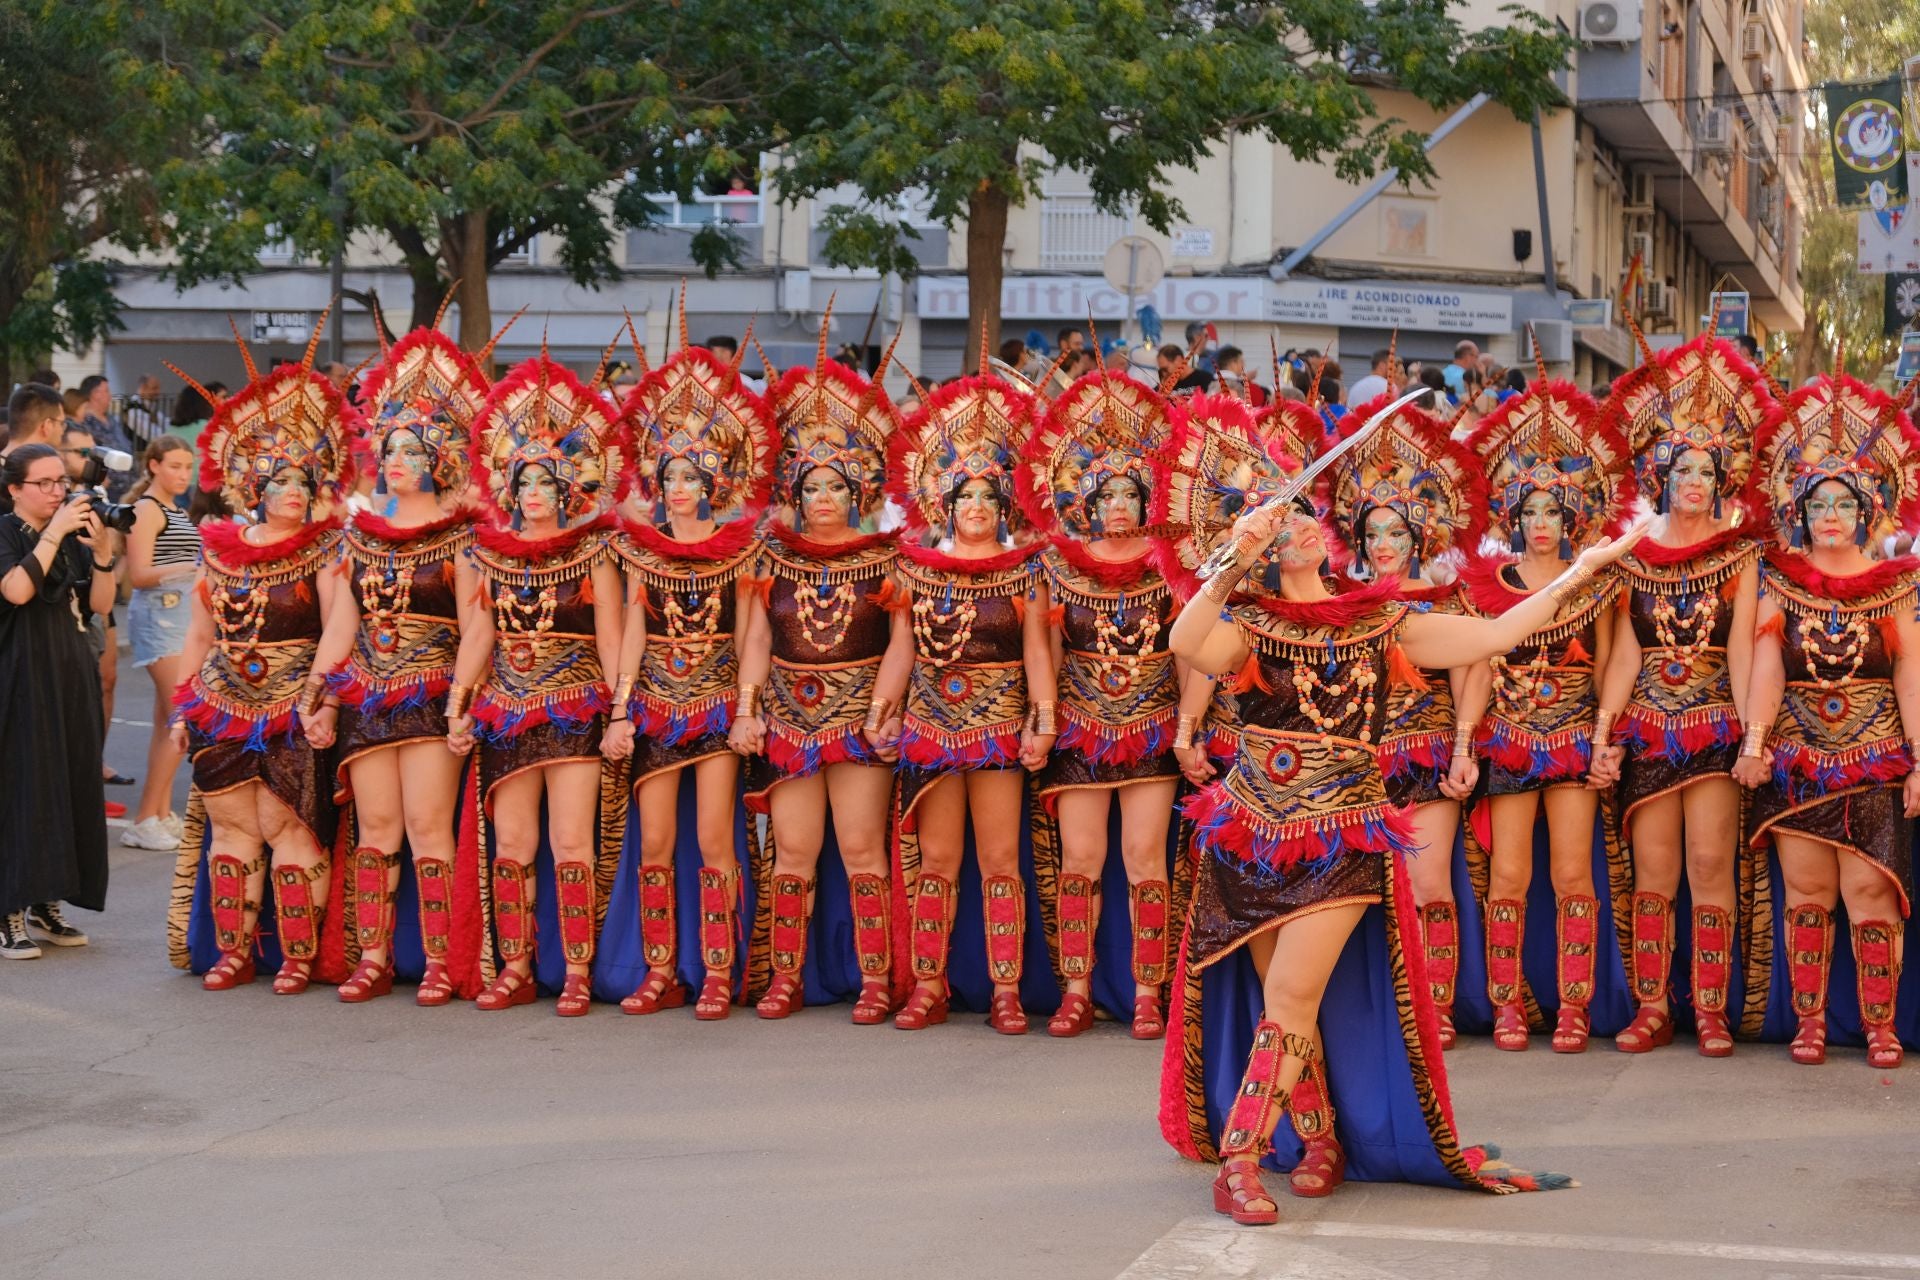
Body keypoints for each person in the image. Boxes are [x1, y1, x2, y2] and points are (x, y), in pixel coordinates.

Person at [1158, 431, 1634, 1223]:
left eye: (1304, 514)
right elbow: (1185, 643)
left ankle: (1240, 1161)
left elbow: (1494, 636)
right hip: (1249, 829)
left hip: (1342, 829)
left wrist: (1584, 571)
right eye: (1279, 522)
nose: (1299, 526)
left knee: (1290, 993)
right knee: (1293, 1003)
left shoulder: (1380, 622)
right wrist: (1231, 564)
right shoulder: (1249, 621)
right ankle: (1317, 1142)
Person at [306, 320, 498, 1006]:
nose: (394, 459)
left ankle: (443, 959)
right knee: (375, 829)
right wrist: (321, 693)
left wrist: (463, 702)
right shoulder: (361, 537)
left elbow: (479, 623)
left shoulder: (462, 537)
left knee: (425, 828)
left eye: (410, 450)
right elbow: (343, 623)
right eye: (388, 447)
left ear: (440, 458)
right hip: (367, 694)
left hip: (430, 693)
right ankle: (375, 955)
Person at [1591, 334, 1769, 1056]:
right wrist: (1605, 734)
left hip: (1714, 727)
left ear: (1724, 481)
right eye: (1681, 467)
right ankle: (1654, 1005)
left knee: (1708, 867)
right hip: (1647, 731)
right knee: (1655, 872)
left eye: (1707, 469)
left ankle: (1712, 1009)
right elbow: (1626, 652)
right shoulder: (1632, 553)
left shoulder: (1740, 554)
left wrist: (1751, 738)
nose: (1693, 479)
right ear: (1658, 475)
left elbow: (1741, 651)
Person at [1738, 371, 1919, 1069]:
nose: (1833, 515)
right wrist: (1754, 742)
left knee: (1869, 889)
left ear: (1870, 509)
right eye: (1820, 503)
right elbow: (1768, 669)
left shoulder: (1894, 584)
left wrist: (1919, 758)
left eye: (1846, 502)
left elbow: (1909, 672)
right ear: (1800, 512)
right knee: (1808, 891)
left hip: (1874, 753)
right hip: (1799, 755)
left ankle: (1880, 1025)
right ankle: (1809, 1022)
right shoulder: (1778, 578)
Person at [731, 325, 911, 1022]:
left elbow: (902, 640)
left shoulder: (887, 556)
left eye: (837, 485)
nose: (824, 496)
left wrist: (881, 709)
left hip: (859, 716)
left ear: (860, 488)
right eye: (812, 485)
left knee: (864, 849)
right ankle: (785, 977)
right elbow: (754, 637)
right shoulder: (771, 555)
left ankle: (874, 979)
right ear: (795, 491)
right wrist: (748, 709)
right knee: (793, 852)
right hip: (787, 717)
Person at [168, 331, 353, 993]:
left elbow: (340, 625)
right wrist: (182, 705)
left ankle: (299, 955)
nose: (294, 492)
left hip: (289, 705)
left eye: (303, 480)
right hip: (221, 703)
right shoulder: (217, 552)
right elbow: (199, 634)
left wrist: (318, 695)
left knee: (290, 828)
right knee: (233, 831)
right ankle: (233, 952)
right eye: (280, 481)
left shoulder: (325, 550)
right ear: (252, 485)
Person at [449, 349, 630, 1015]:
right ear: (508, 489)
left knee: (571, 844)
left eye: (546, 483)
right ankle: (517, 964)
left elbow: (610, 638)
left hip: (575, 704)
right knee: (514, 844)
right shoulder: (489, 556)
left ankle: (577, 969)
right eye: (523, 481)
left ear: (566, 491)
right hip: (503, 708)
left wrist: (620, 712)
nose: (533, 493)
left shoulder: (594, 552)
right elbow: (480, 636)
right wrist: (456, 706)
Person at [1457, 378, 1632, 1052]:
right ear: (1512, 516)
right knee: (1509, 876)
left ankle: (1574, 1007)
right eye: (1528, 510)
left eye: (1552, 512)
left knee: (1570, 875)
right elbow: (1475, 667)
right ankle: (1506, 1007)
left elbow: (1614, 662)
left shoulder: (1599, 583)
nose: (1539, 523)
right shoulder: (1488, 587)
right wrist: (1463, 745)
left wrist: (1601, 739)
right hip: (1505, 740)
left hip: (1570, 742)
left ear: (1572, 520)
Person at [887, 359, 1058, 1033]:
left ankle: (1006, 989)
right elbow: (903, 648)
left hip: (998, 726)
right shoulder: (915, 571)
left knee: (998, 860)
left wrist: (1041, 724)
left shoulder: (1025, 572)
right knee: (938, 861)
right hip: (930, 724)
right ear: (945, 505)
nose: (978, 509)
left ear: (1005, 507)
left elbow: (1037, 653)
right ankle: (928, 985)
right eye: (965, 499)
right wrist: (881, 713)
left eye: (989, 498)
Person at [613, 325, 773, 1019]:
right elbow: (630, 635)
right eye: (668, 476)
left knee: (714, 837)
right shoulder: (639, 553)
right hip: (653, 702)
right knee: (653, 840)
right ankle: (658, 970)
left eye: (690, 476)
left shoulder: (742, 552)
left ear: (715, 482)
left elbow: (753, 635)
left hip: (713, 702)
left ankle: (715, 969)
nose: (677, 488)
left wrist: (745, 708)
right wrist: (620, 712)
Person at [1019, 363, 1183, 1039]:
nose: (1119, 504)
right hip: (1082, 727)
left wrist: (1192, 727)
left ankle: (1149, 991)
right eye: (1105, 493)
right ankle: (1077, 988)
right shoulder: (1055, 564)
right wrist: (1046, 720)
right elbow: (1041, 647)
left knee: (1146, 859)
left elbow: (1189, 650)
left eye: (1130, 492)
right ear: (1084, 501)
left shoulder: (1172, 565)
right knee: (1079, 861)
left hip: (1151, 725)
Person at [1325, 388, 1487, 1049]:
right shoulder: (1337, 600)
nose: (1385, 543)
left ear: (1420, 535)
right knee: (1352, 893)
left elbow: (1473, 669)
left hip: (1425, 754)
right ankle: (1372, 1006)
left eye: (1397, 532)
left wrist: (1463, 749)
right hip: (1357, 761)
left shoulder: (1448, 597)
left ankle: (1435, 1008)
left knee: (1427, 882)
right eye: (1373, 533)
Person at [0, 444, 116, 958]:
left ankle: (48, 900)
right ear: (14, 489)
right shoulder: (6, 530)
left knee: (68, 785)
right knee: (24, 787)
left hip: (69, 672)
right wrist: (53, 532)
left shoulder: (68, 535)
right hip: (21, 675)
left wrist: (104, 554)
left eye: (60, 482)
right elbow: (17, 591)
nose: (56, 492)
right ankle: (9, 911)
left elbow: (99, 606)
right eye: (43, 483)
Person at [118, 437, 200, 852]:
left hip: (178, 619)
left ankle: (161, 813)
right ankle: (146, 817)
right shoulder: (146, 509)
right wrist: (193, 566)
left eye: (188, 466)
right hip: (159, 617)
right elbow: (141, 573)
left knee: (165, 720)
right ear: (153, 465)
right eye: (174, 466)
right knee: (180, 718)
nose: (183, 474)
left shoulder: (172, 508)